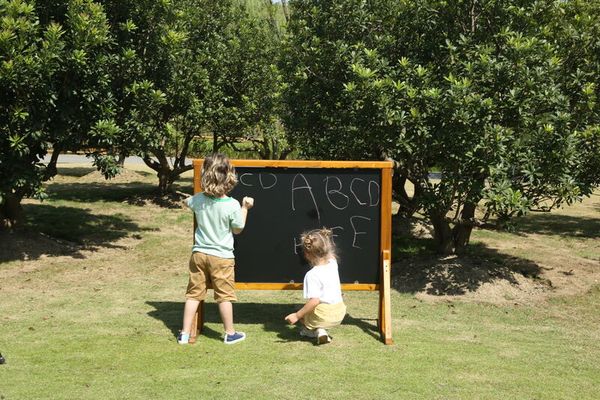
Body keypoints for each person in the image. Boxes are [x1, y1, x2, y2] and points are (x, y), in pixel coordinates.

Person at [178, 153, 254, 345]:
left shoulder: (198, 200)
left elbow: (187, 202)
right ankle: (230, 333)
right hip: (221, 257)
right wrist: (245, 207)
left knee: (193, 294)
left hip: (199, 254)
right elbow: (238, 229)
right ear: (229, 176)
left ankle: (185, 333)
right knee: (224, 296)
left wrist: (187, 201)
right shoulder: (232, 205)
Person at [284, 228, 347, 345]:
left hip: (324, 315)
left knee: (304, 312)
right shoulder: (333, 263)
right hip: (340, 312)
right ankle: (321, 331)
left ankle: (313, 330)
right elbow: (330, 253)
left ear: (306, 254)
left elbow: (314, 301)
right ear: (326, 248)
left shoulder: (312, 275)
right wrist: (325, 238)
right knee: (313, 312)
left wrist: (297, 316)